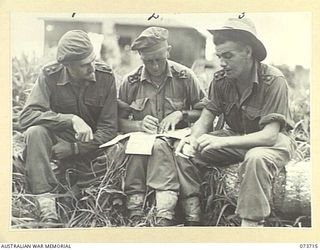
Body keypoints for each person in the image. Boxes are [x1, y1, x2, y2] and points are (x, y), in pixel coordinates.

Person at [175, 18, 296, 227]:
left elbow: (269, 136)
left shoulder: (274, 81)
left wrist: (221, 143)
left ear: (248, 52)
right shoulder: (221, 80)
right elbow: (205, 120)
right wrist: (193, 140)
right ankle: (192, 214)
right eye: (219, 56)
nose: (222, 63)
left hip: (273, 144)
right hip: (237, 140)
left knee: (256, 158)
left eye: (228, 56)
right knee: (185, 150)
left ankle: (250, 225)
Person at [19, 30, 118, 223]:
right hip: (59, 142)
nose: (92, 68)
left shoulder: (105, 77)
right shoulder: (50, 75)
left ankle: (85, 197)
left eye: (93, 60)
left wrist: (74, 149)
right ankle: (47, 207)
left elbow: (108, 129)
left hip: (91, 147)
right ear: (67, 66)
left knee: (119, 152)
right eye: (84, 65)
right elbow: (26, 116)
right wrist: (70, 119)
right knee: (35, 132)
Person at [118, 27, 205, 226]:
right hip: (144, 140)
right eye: (149, 61)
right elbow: (116, 120)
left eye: (159, 59)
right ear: (140, 57)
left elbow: (205, 112)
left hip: (179, 138)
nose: (155, 66)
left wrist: (181, 113)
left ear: (168, 51)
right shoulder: (130, 82)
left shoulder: (185, 76)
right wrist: (138, 125)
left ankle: (186, 213)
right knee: (147, 149)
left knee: (178, 153)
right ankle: (137, 209)